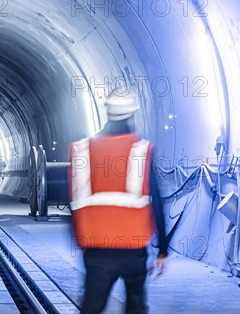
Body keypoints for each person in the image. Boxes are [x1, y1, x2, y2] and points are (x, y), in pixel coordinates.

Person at [69, 89, 168, 314]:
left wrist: (81, 244)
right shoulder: (142, 150)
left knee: (92, 308)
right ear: (132, 113)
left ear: (107, 112)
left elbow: (74, 204)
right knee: (136, 306)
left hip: (96, 250)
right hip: (134, 250)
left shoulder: (83, 150)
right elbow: (157, 203)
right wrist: (162, 250)